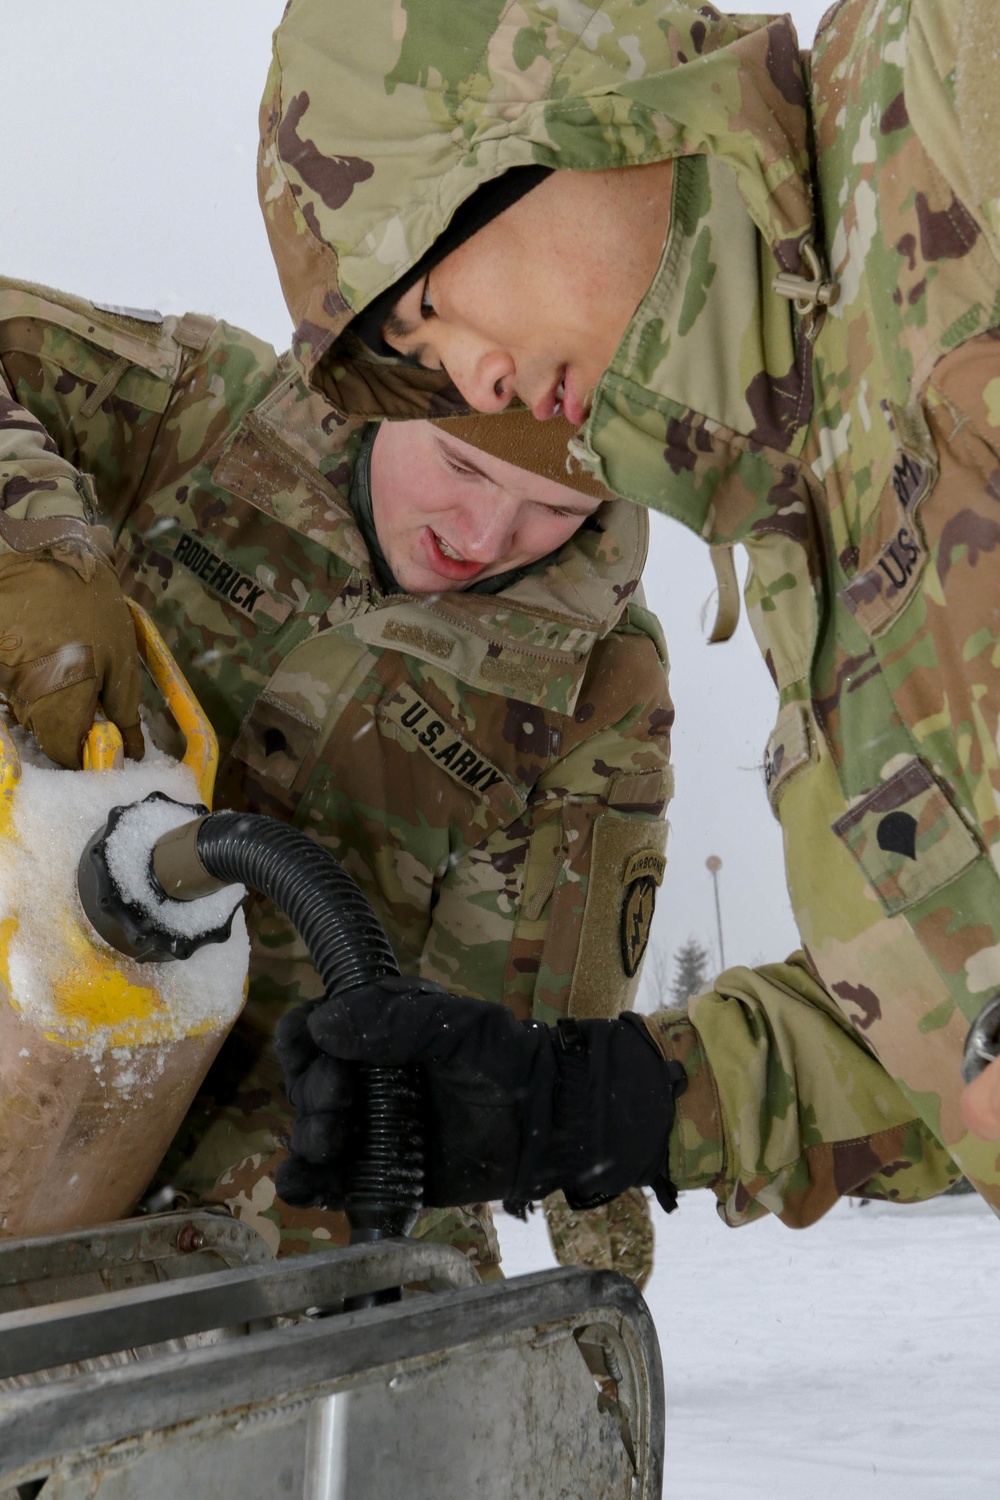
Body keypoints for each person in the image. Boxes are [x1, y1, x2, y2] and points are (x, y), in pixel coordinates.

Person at [254, 0, 999, 1223]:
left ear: (534, 90)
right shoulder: (799, 529)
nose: (475, 379)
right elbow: (939, 1043)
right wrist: (599, 1100)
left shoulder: (930, 90)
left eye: (424, 307)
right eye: (429, 376)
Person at [0, 277, 675, 1282]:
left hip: (273, 1231)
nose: (482, 536)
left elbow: (538, 1036)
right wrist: (35, 542)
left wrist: (596, 1289)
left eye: (554, 510)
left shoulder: (594, 687)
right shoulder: (207, 414)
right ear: (397, 377)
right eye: (460, 464)